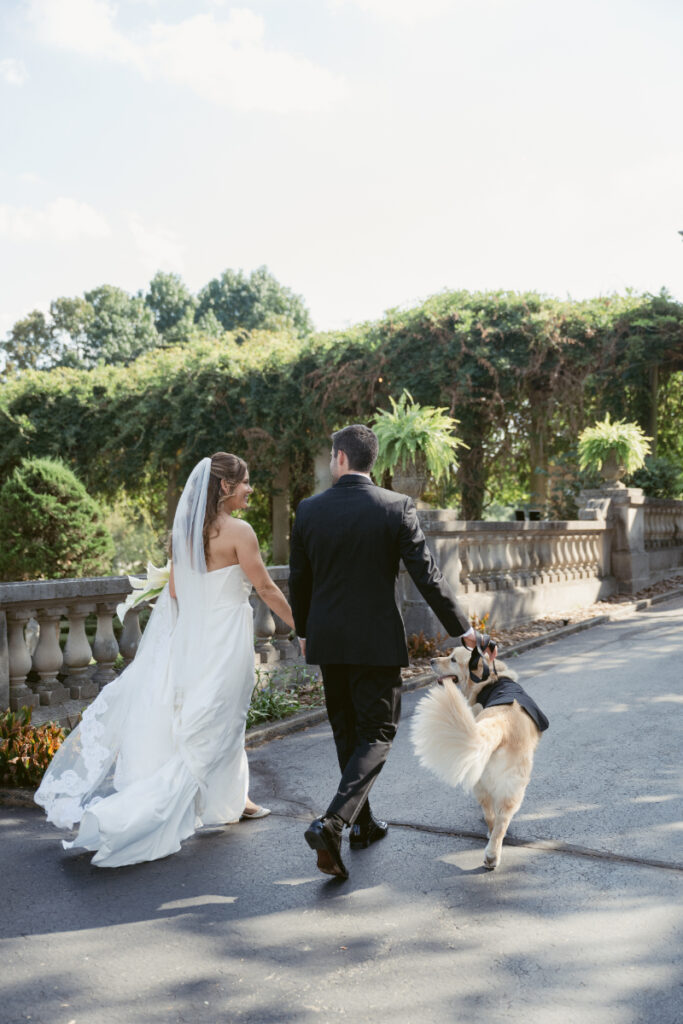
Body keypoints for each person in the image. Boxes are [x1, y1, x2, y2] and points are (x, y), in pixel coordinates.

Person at [35, 453, 295, 867]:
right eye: (245, 482)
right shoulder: (240, 532)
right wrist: (301, 624)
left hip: (196, 639)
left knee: (213, 717)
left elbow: (174, 594)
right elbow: (264, 586)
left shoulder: (185, 536)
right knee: (220, 718)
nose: (250, 489)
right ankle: (128, 817)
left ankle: (237, 800)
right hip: (226, 639)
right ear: (225, 487)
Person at [289, 424, 492, 880]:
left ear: (340, 458)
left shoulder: (308, 510)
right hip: (375, 642)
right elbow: (428, 576)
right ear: (369, 462)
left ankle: (361, 825)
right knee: (377, 733)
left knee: (347, 731)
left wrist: (304, 631)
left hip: (327, 640)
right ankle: (335, 822)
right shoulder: (395, 507)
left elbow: (299, 581)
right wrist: (462, 631)